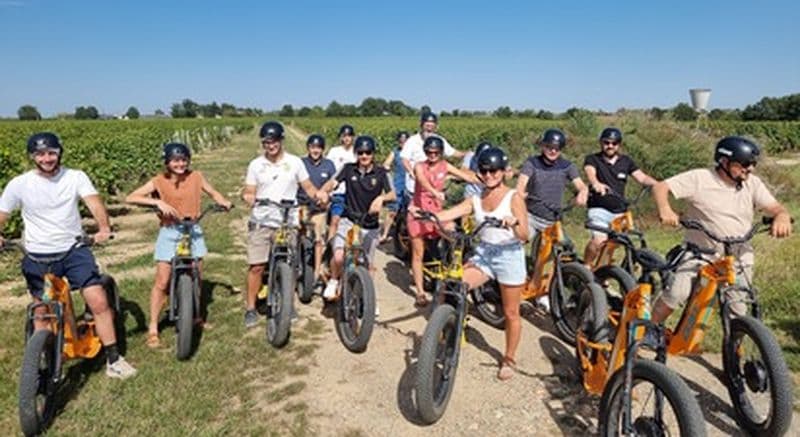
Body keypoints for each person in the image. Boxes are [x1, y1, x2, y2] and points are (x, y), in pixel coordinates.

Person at [0, 132, 137, 378]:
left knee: (97, 300)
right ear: (33, 157)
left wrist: (104, 227)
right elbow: (3, 212)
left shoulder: (75, 177)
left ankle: (114, 359)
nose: (47, 158)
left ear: (59, 152)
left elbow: (94, 203)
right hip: (37, 254)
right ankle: (47, 359)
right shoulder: (19, 184)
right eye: (40, 154)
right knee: (40, 310)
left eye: (51, 152)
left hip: (74, 250)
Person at [412, 147, 528, 380]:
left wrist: (513, 223)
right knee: (451, 285)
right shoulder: (476, 198)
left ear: (503, 171)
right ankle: (447, 327)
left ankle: (509, 358)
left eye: (494, 171)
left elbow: (525, 234)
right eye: (484, 171)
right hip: (485, 254)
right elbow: (451, 213)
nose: (488, 175)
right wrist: (425, 214)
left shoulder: (513, 197)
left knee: (511, 312)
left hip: (509, 256)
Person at [651, 136, 792, 323]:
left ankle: (736, 350)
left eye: (752, 164)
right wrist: (665, 209)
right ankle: (647, 331)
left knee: (739, 310)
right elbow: (661, 187)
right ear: (724, 162)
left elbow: (775, 207)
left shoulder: (752, 183)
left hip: (738, 257)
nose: (749, 169)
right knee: (676, 294)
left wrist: (781, 216)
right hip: (700, 254)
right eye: (744, 164)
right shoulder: (700, 178)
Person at [125, 142, 232, 348]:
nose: (180, 164)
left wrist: (223, 201)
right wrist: (157, 202)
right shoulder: (158, 181)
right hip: (170, 232)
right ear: (167, 162)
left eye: (183, 160)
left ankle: (196, 316)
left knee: (197, 277)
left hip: (193, 230)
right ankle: (153, 326)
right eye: (175, 160)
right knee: (162, 281)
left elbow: (213, 192)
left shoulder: (196, 177)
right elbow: (131, 197)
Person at [241, 121, 327, 328]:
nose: (270, 145)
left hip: (287, 220)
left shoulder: (295, 162)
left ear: (281, 141)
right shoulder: (256, 165)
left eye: (274, 141)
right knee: (257, 266)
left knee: (288, 264)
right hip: (262, 219)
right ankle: (251, 308)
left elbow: (307, 186)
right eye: (266, 142)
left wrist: (319, 195)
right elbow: (249, 190)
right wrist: (249, 197)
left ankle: (288, 304)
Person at [319, 136, 396, 315]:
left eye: (367, 152)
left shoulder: (381, 173)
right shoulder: (348, 169)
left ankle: (369, 300)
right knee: (339, 256)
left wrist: (381, 198)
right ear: (356, 154)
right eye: (360, 152)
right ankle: (334, 280)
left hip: (370, 225)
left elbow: (392, 194)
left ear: (373, 154)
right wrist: (323, 191)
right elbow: (333, 182)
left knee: (368, 264)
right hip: (349, 219)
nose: (364, 156)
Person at [515, 128, 588, 310]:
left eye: (557, 147)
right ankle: (513, 282)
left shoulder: (567, 166)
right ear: (543, 146)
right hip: (531, 215)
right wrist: (520, 194)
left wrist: (582, 193)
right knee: (517, 241)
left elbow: (581, 185)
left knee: (558, 254)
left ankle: (544, 291)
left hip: (553, 220)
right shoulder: (532, 163)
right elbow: (521, 183)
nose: (553, 151)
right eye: (549, 146)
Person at [406, 136, 479, 307]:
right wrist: (434, 192)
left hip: (438, 215)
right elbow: (422, 181)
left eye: (436, 152)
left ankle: (452, 273)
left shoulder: (446, 166)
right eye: (429, 152)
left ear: (441, 153)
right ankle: (420, 292)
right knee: (418, 253)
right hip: (418, 214)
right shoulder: (419, 166)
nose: (432, 155)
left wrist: (489, 179)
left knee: (456, 237)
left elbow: (467, 177)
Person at [582, 127, 658, 266]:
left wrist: (658, 185)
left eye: (614, 143)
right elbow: (590, 173)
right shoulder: (592, 159)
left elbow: (641, 177)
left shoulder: (626, 161)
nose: (610, 146)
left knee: (613, 245)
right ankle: (585, 267)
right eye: (606, 142)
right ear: (601, 143)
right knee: (599, 241)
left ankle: (601, 273)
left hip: (620, 212)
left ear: (619, 145)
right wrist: (596, 183)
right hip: (599, 209)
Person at [400, 111, 465, 199]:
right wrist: (412, 173)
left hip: (434, 188)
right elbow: (404, 159)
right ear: (421, 125)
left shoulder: (439, 140)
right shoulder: (412, 141)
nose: (429, 129)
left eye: (432, 126)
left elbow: (453, 153)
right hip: (414, 188)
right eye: (427, 126)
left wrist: (469, 154)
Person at [297, 134, 336, 280]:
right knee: (297, 233)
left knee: (318, 238)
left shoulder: (329, 165)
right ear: (308, 148)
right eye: (313, 147)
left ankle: (317, 269)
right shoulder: (300, 163)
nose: (315, 150)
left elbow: (333, 183)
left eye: (318, 148)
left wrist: (326, 197)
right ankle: (296, 263)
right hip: (301, 204)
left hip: (319, 207)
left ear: (323, 149)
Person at [325, 124, 356, 243]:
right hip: (338, 191)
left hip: (353, 193)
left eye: (349, 136)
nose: (347, 138)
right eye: (344, 136)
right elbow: (328, 168)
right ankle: (330, 246)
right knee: (335, 220)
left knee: (352, 223)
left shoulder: (357, 152)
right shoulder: (334, 151)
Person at [380, 130, 410, 242]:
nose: (403, 143)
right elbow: (386, 163)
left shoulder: (413, 153)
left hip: (410, 185)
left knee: (407, 211)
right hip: (398, 184)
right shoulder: (396, 152)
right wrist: (387, 167)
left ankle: (403, 234)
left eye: (405, 141)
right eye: (401, 141)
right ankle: (385, 234)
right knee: (392, 211)